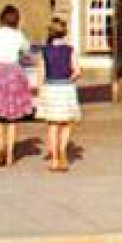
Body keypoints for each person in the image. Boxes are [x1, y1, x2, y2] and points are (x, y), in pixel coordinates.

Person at [0, 4, 34, 167]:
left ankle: (0, 146)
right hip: (12, 73)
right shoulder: (18, 36)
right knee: (12, 117)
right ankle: (11, 154)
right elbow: (27, 51)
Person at [35, 17, 81, 172]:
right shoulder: (70, 50)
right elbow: (77, 71)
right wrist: (70, 79)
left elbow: (40, 74)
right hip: (66, 88)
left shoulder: (44, 51)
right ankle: (63, 151)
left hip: (50, 88)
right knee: (66, 122)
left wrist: (40, 93)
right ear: (64, 32)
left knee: (53, 125)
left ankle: (54, 159)